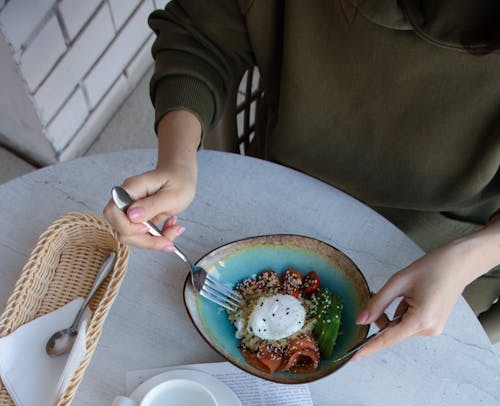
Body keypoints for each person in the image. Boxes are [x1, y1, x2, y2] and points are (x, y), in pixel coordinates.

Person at [104, 0, 500, 359]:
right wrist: (177, 161)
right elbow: (202, 31)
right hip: (282, 192)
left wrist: (472, 255)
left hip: (444, 257)